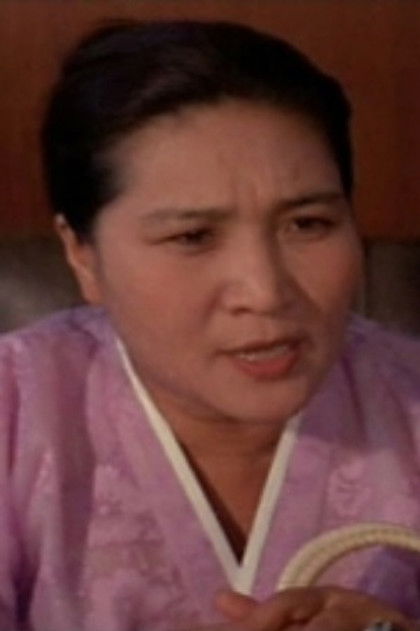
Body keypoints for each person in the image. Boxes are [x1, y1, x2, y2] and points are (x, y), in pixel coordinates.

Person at [0, 18, 419, 631]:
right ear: (81, 254)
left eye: (307, 224)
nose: (265, 292)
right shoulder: (15, 411)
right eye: (193, 236)